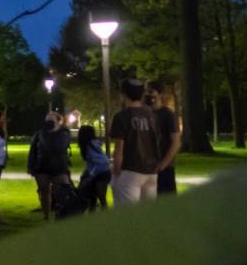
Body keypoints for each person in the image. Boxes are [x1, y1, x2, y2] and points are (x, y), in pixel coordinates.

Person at [109, 79, 161, 207]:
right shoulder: (152, 116)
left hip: (130, 171)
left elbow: (119, 148)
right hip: (151, 172)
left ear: (124, 95)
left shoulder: (122, 116)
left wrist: (116, 170)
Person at [26, 112, 72, 221]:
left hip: (59, 166)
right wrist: (30, 166)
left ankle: (62, 214)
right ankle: (46, 215)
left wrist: (55, 130)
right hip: (42, 166)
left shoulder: (64, 133)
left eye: (51, 121)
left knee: (62, 191)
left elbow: (59, 147)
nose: (49, 123)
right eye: (47, 121)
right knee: (44, 191)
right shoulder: (40, 133)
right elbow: (32, 150)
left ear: (58, 121)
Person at [145, 81, 183, 196]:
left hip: (165, 169)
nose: (148, 94)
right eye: (145, 91)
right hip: (147, 168)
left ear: (160, 94)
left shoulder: (168, 115)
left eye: (151, 91)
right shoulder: (143, 115)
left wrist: (162, 165)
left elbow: (176, 143)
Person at [76, 125, 112, 211]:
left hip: (102, 173)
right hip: (100, 172)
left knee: (101, 197)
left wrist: (90, 176)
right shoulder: (91, 145)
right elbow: (91, 163)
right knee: (93, 197)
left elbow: (102, 162)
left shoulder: (90, 146)